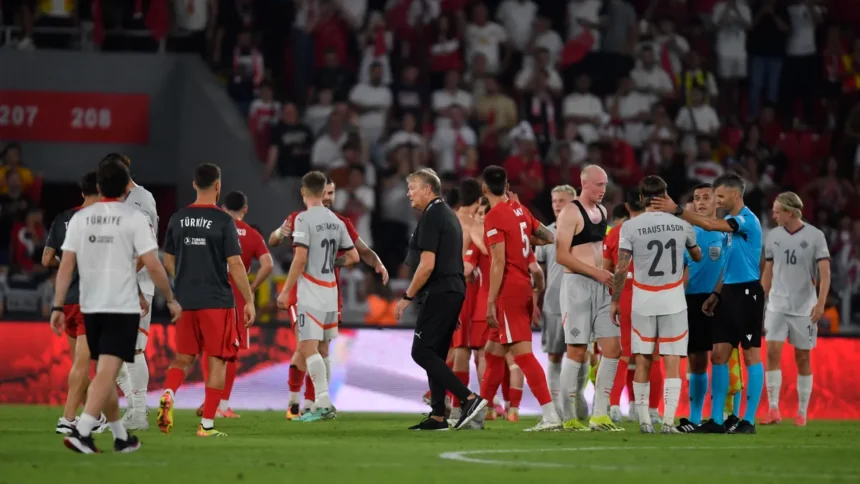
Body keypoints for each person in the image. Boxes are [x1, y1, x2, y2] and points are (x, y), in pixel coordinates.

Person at [52, 159, 180, 454]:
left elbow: (66, 265)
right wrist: (170, 298)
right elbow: (153, 263)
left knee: (105, 370)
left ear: (98, 187)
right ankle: (82, 432)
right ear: (125, 189)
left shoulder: (81, 218)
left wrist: (57, 306)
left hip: (89, 302)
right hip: (121, 303)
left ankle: (121, 437)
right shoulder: (132, 218)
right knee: (109, 369)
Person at [651, 173, 764, 434]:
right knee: (719, 355)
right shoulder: (728, 227)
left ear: (734, 195)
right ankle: (715, 420)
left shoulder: (746, 221)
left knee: (750, 354)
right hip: (727, 294)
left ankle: (747, 420)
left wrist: (678, 210)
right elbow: (727, 267)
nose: (718, 200)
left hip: (748, 293)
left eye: (720, 196)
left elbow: (711, 226)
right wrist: (716, 295)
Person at [270, 177, 387, 419]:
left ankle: (314, 403)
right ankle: (300, 402)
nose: (329, 197)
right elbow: (274, 240)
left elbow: (361, 251)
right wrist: (281, 232)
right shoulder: (323, 221)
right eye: (327, 193)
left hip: (311, 290)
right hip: (322, 292)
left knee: (312, 348)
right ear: (320, 192)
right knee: (309, 347)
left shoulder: (317, 219)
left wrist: (377, 262)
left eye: (332, 193)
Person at [158, 163, 256, 437]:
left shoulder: (177, 218)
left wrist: (184, 280)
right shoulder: (224, 221)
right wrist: (249, 300)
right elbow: (235, 263)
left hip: (186, 300)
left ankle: (169, 392)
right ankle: (207, 425)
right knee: (218, 360)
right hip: (217, 301)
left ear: (194, 184)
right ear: (218, 186)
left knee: (183, 358)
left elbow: (168, 260)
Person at [394, 168, 487, 430]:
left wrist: (407, 297)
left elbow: (427, 264)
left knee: (421, 351)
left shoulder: (433, 216)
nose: (409, 193)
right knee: (435, 352)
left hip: (440, 291)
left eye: (412, 188)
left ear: (427, 189)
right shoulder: (446, 214)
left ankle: (469, 399)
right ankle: (438, 415)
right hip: (451, 291)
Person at [611, 176, 702, 434]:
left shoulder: (630, 227)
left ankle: (644, 421)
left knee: (642, 358)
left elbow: (621, 268)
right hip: (673, 298)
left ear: (641, 198)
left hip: (643, 299)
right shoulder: (682, 225)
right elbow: (697, 256)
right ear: (665, 195)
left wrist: (615, 300)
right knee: (671, 360)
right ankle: (669, 422)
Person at [478, 165, 561, 432]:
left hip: (508, 291)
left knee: (523, 355)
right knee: (493, 353)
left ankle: (550, 415)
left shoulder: (494, 215)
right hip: (523, 287)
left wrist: (491, 301)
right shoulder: (520, 210)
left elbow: (498, 261)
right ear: (506, 186)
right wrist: (520, 233)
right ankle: (478, 413)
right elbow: (548, 237)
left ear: (484, 188)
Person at [555, 165, 623, 431]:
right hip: (577, 286)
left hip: (601, 285)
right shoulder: (570, 212)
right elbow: (562, 255)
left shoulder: (603, 212)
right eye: (599, 184)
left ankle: (600, 414)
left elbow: (598, 249)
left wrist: (607, 273)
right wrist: (597, 272)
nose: (603, 190)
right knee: (577, 350)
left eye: (605, 185)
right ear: (584, 184)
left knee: (613, 348)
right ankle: (568, 417)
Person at [195, 191, 274, 418]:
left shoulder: (211, 230)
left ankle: (209, 399)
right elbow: (268, 264)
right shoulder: (252, 235)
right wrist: (252, 288)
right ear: (245, 209)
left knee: (209, 349)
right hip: (236, 298)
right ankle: (221, 405)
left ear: (222, 208)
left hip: (208, 293)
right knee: (230, 353)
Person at [97, 154, 159, 431]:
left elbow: (146, 248)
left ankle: (138, 412)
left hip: (137, 283)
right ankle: (135, 406)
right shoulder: (120, 201)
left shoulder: (140, 200)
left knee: (133, 348)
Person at [760, 192, 830, 427]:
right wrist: (761, 297)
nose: (773, 215)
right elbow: (768, 269)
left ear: (789, 213)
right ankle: (773, 409)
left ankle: (801, 411)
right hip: (777, 305)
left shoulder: (815, 236)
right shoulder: (773, 236)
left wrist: (820, 303)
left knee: (802, 357)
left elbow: (825, 274)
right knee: (772, 353)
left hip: (804, 308)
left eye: (777, 211)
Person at [45, 172, 107, 435]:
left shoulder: (63, 218)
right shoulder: (105, 220)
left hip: (69, 300)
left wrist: (68, 264)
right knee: (82, 365)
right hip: (91, 300)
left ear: (82, 192)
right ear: (102, 191)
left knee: (79, 364)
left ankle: (97, 417)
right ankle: (68, 419)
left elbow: (46, 259)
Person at [604, 190, 663, 425]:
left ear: (627, 207)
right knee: (652, 356)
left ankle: (614, 407)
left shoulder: (617, 232)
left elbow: (608, 270)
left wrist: (614, 300)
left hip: (626, 295)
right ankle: (652, 410)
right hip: (653, 295)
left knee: (623, 355)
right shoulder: (660, 230)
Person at [677, 183, 728, 432]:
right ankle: (695, 417)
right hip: (692, 300)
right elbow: (680, 270)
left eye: (706, 197)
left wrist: (718, 293)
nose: (701, 202)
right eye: (697, 198)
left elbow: (731, 266)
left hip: (721, 299)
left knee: (719, 357)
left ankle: (718, 416)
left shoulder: (727, 231)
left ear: (717, 201)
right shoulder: (687, 233)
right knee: (697, 361)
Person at [535, 185, 578, 418]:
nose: (557, 205)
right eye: (554, 201)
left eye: (562, 200)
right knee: (554, 355)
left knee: (579, 355)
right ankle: (556, 408)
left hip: (579, 303)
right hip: (553, 303)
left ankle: (575, 399)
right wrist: (534, 300)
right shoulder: (545, 234)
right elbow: (538, 272)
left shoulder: (585, 231)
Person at [447, 178, 488, 424]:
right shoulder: (475, 225)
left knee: (458, 349)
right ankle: (481, 404)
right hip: (471, 291)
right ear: (478, 200)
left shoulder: (445, 221)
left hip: (448, 290)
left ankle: (454, 407)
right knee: (478, 351)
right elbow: (487, 251)